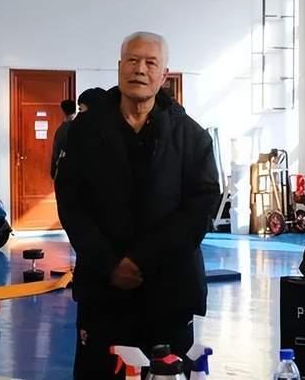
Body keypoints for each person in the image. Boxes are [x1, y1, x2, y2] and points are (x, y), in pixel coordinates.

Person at [55, 32, 220, 379]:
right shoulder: (85, 131)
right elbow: (71, 203)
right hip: (104, 290)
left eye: (150, 62)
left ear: (164, 75)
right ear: (119, 67)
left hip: (169, 291)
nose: (140, 69)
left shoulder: (190, 136)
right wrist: (110, 263)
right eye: (132, 60)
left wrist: (141, 260)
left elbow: (199, 209)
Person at [51, 100, 76, 179]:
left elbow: (56, 151)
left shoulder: (62, 130)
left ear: (63, 112)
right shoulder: (81, 126)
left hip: (66, 168)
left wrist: (53, 169)